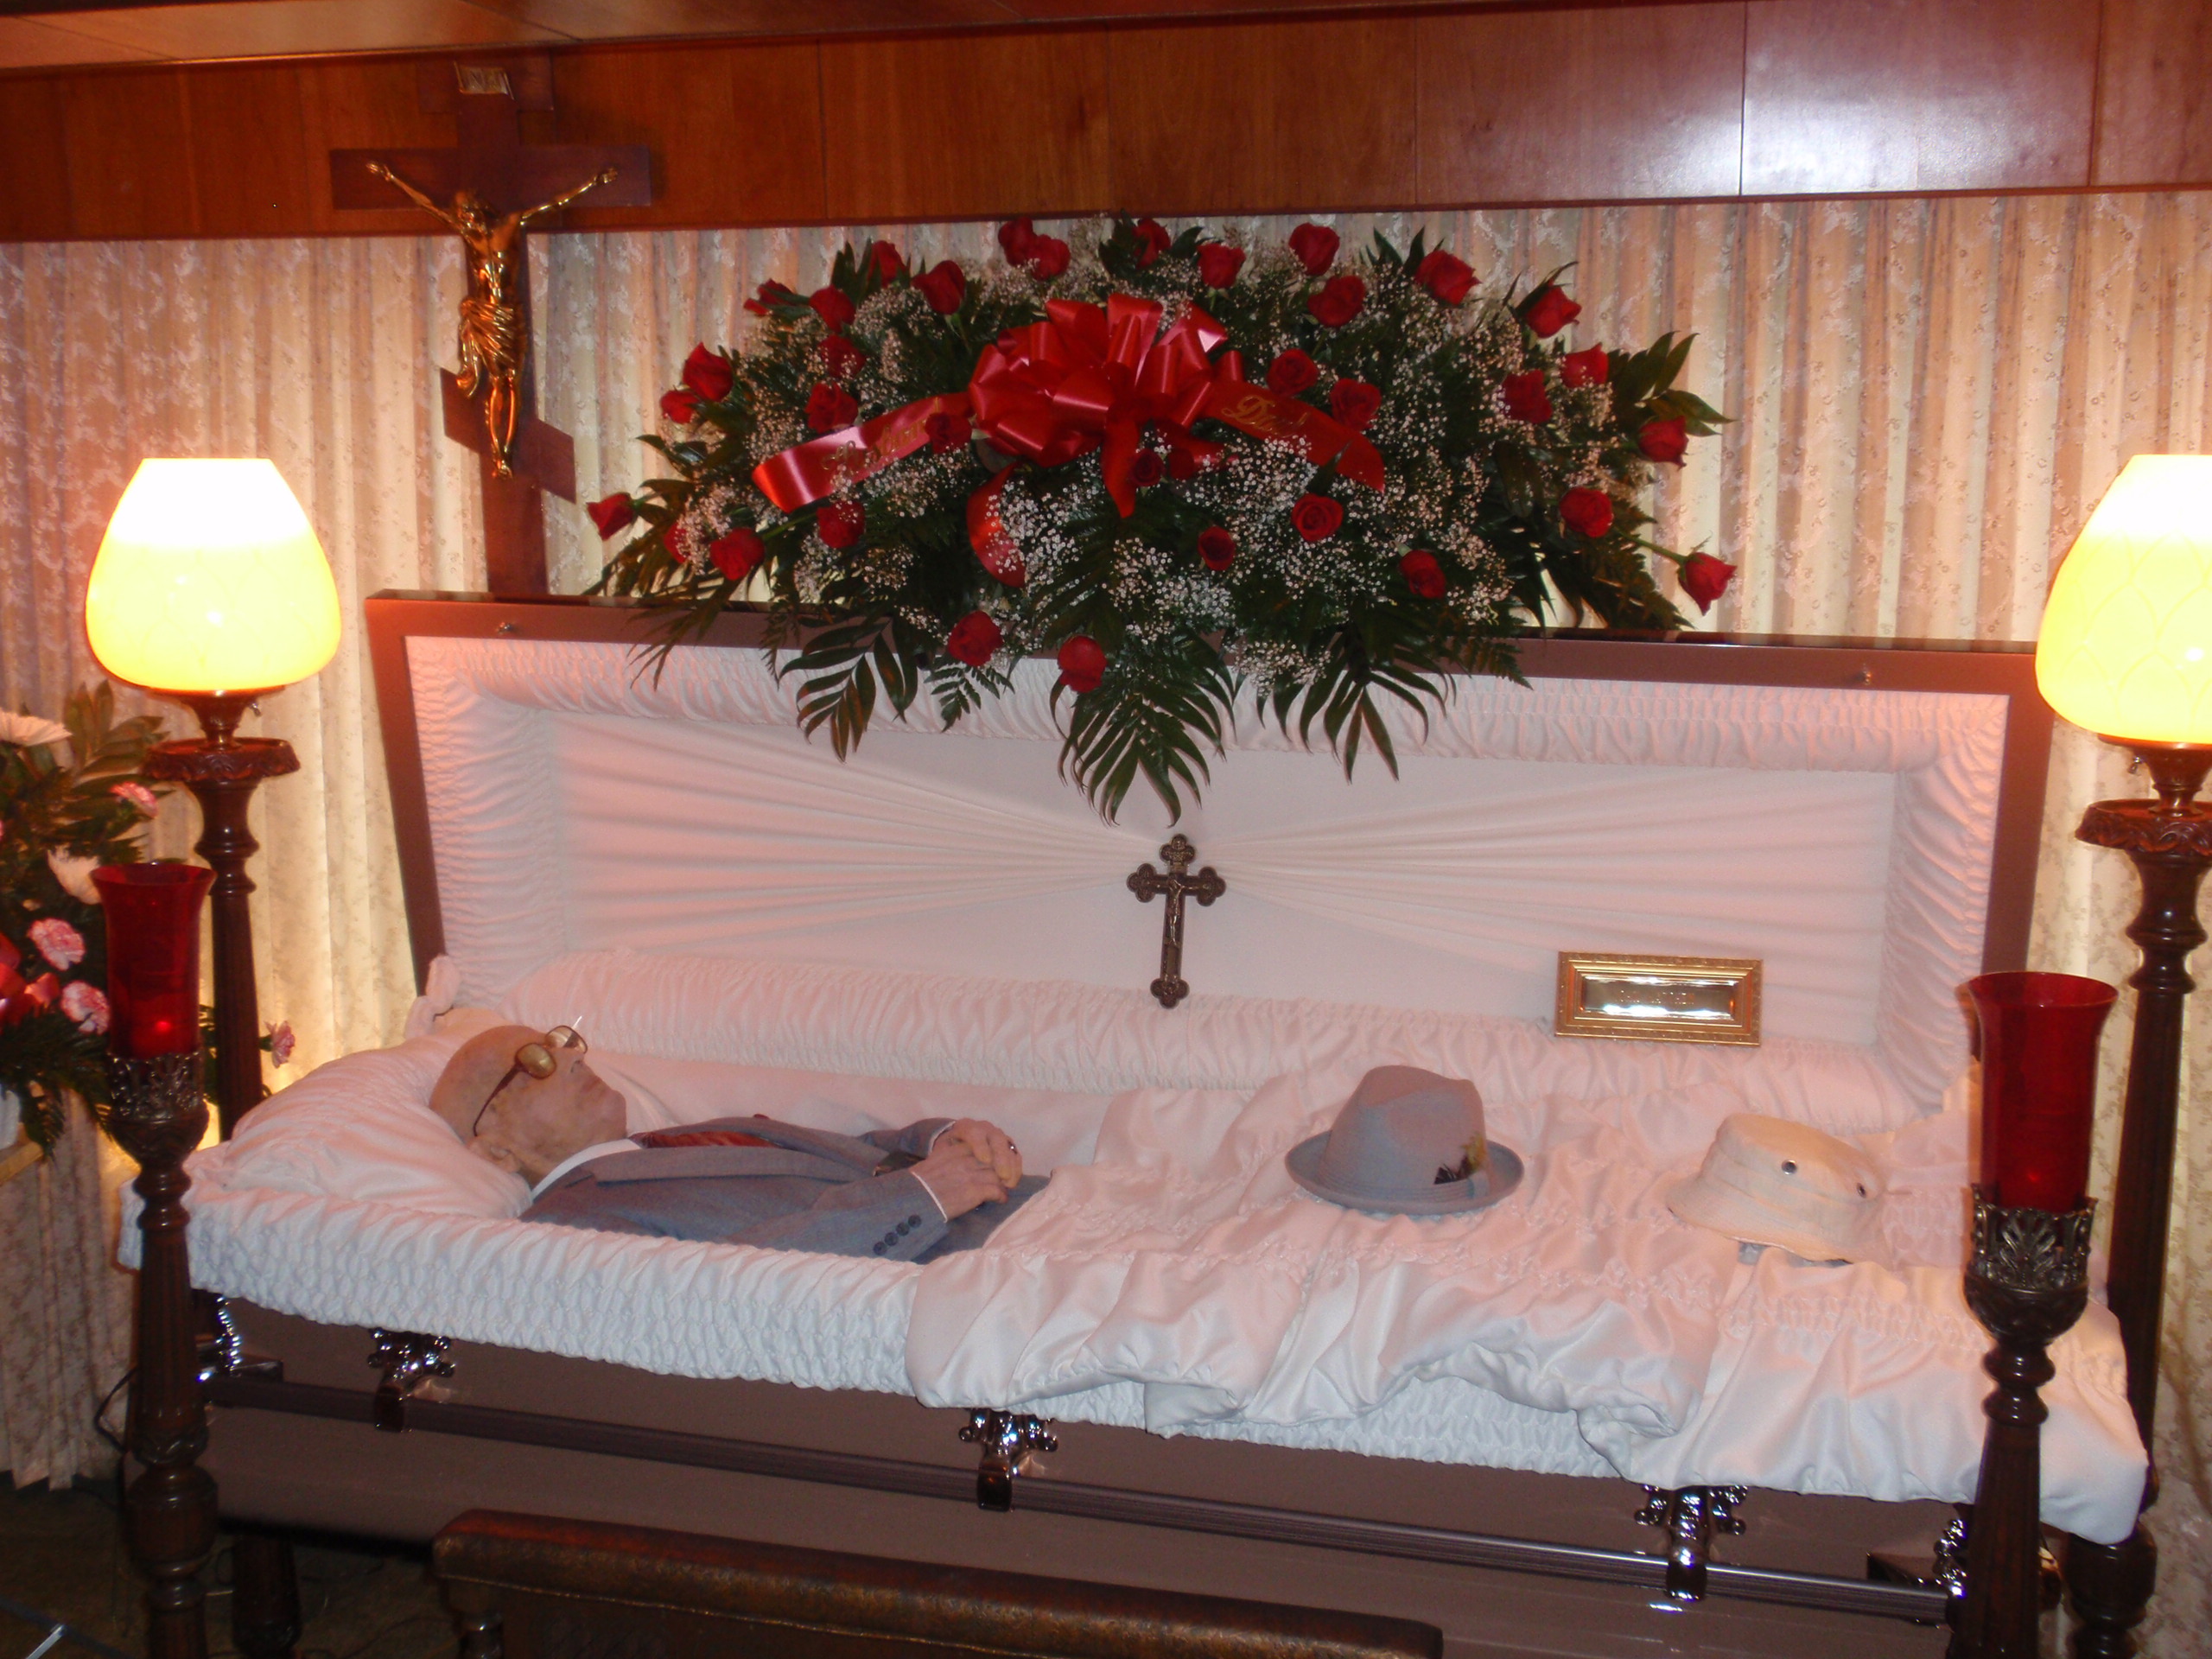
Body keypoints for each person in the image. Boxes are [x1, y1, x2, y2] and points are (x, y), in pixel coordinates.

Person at [427, 1024, 1037, 1262]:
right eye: (531, 1063)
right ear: (496, 1151)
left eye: (559, 1042)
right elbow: (723, 1282)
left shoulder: (669, 1139)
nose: (568, 1058)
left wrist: (943, 1139)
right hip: (984, 1263)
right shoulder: (564, 1226)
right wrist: (920, 1197)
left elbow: (849, 1152)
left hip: (1028, 1207)